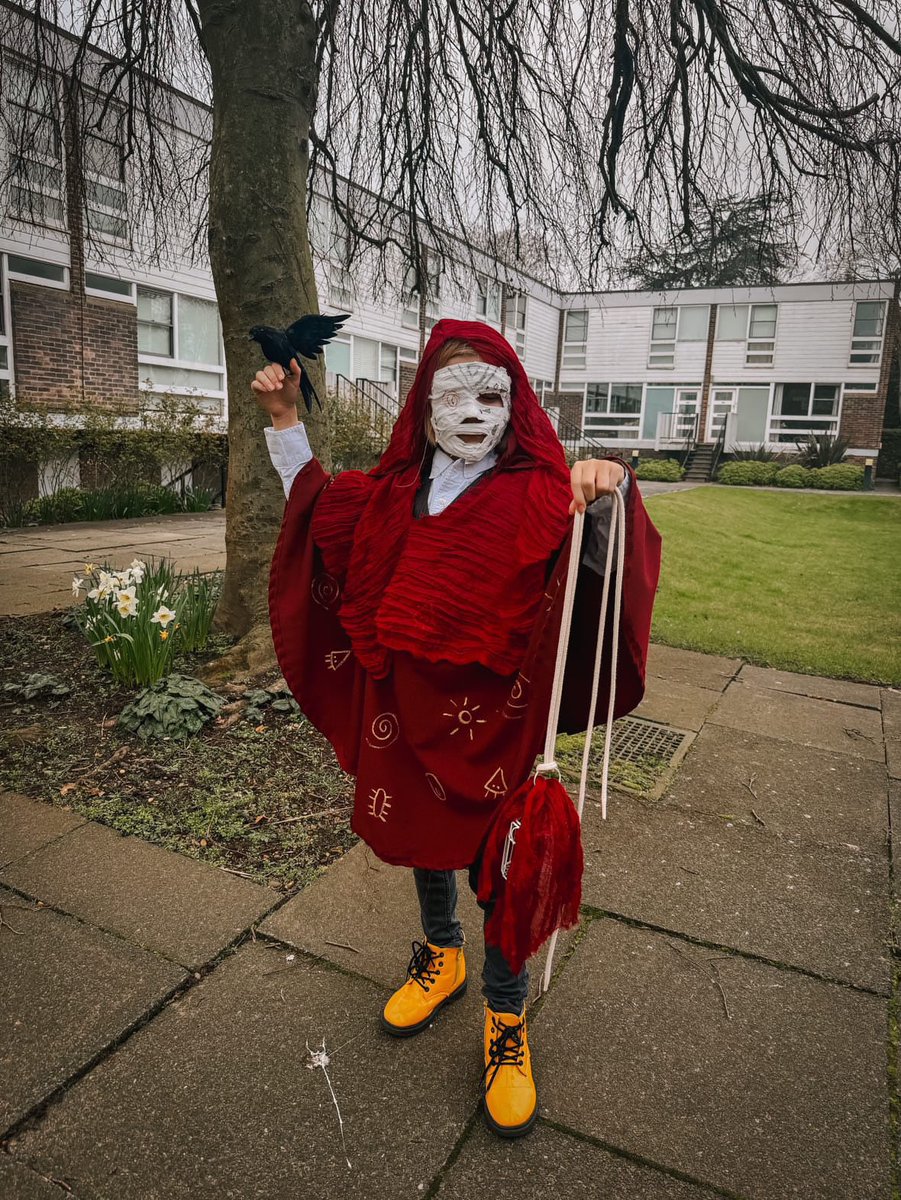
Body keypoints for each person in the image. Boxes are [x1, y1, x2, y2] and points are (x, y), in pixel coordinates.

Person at [254, 318, 661, 1139]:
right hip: (401, 706)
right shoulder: (389, 490)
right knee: (419, 832)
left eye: (490, 394)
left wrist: (603, 490)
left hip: (497, 721)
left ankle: (504, 1018)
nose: (472, 411)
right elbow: (320, 515)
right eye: (453, 394)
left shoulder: (541, 489)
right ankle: (440, 957)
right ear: (423, 404)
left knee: (505, 863)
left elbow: (594, 561)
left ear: (515, 405)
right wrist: (285, 422)